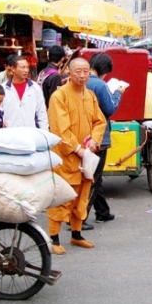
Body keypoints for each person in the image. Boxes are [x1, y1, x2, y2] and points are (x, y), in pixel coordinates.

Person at [46, 57, 106, 255]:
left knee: (82, 195)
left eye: (85, 71)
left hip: (85, 156)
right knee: (62, 197)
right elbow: (60, 129)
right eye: (78, 71)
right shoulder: (59, 96)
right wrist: (77, 148)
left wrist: (94, 141)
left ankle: (76, 234)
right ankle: (53, 238)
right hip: (66, 157)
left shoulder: (90, 96)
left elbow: (99, 122)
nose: (82, 75)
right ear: (68, 73)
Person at [85, 52, 125, 227]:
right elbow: (110, 108)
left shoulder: (82, 82)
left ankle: (102, 211)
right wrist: (118, 93)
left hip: (83, 135)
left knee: (94, 176)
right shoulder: (100, 85)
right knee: (93, 178)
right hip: (99, 136)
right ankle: (79, 217)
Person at [0, 55, 49, 129]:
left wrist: (44, 131)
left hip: (30, 131)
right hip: (9, 132)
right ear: (13, 69)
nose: (26, 70)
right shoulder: (3, 88)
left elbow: (41, 114)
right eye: (22, 67)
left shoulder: (35, 88)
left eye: (27, 67)